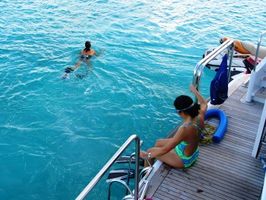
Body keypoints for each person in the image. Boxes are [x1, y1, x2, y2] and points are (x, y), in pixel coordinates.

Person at [140, 85, 207, 169]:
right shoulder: (199, 115)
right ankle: (150, 161)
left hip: (185, 160)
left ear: (181, 112)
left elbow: (166, 149)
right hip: (193, 151)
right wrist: (195, 91)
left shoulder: (184, 129)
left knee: (150, 151)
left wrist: (147, 155)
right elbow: (204, 103)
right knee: (158, 142)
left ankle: (145, 175)